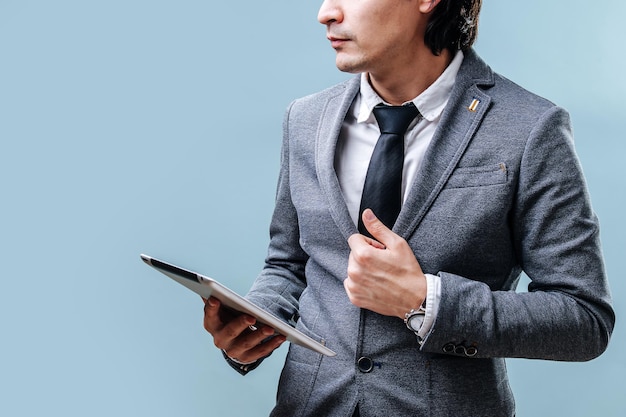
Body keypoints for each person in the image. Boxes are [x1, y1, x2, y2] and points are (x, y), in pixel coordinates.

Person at [203, 0, 615, 416]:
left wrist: (426, 301)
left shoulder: (529, 127)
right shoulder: (305, 119)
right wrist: (254, 324)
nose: (326, 12)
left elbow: (583, 319)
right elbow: (289, 264)